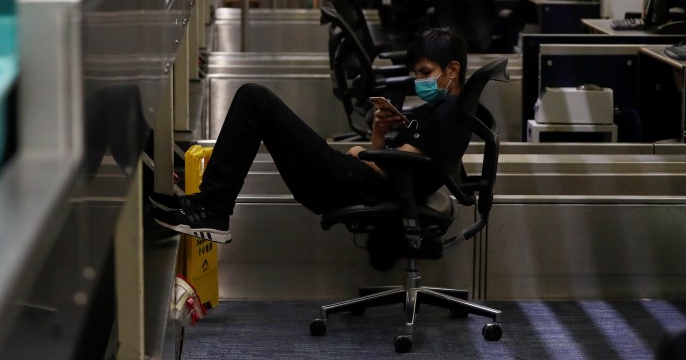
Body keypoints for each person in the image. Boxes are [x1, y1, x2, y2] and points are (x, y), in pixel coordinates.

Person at [151, 28, 469, 243]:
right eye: (417, 74)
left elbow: (397, 168)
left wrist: (360, 153)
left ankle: (213, 209)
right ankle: (210, 205)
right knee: (256, 102)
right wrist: (377, 134)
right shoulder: (441, 109)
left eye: (425, 73)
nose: (419, 82)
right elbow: (399, 167)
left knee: (254, 98)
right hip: (357, 180)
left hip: (348, 182)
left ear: (452, 70)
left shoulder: (445, 113)